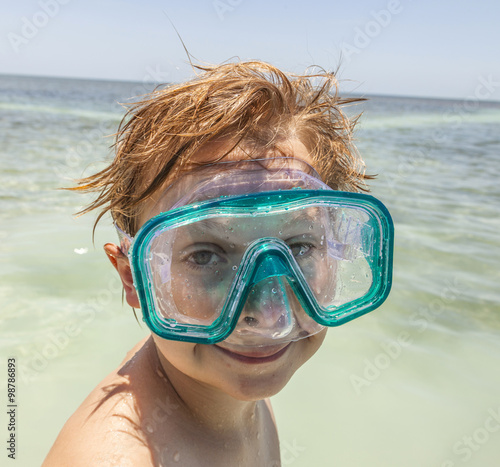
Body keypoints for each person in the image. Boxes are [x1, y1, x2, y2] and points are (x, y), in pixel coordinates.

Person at [42, 60, 393, 466]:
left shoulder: (222, 383)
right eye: (205, 255)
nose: (269, 314)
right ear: (134, 280)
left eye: (298, 247)